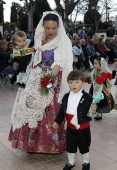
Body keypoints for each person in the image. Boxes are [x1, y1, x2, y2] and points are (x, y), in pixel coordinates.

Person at [8, 11, 73, 153]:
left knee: (49, 110)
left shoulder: (60, 42)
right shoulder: (39, 39)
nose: (50, 31)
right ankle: (30, 144)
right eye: (47, 27)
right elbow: (34, 57)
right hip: (35, 76)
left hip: (50, 77)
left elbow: (58, 63)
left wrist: (50, 78)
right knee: (29, 106)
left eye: (53, 28)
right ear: (43, 26)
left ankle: (50, 145)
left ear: (58, 27)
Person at [53, 70, 97, 170]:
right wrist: (57, 121)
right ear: (68, 83)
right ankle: (71, 162)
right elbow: (62, 112)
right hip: (70, 127)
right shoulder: (66, 97)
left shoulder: (88, 97)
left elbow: (92, 110)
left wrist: (94, 109)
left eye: (77, 82)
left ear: (83, 82)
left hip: (83, 128)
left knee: (84, 145)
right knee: (70, 146)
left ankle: (86, 162)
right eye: (71, 82)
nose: (74, 85)